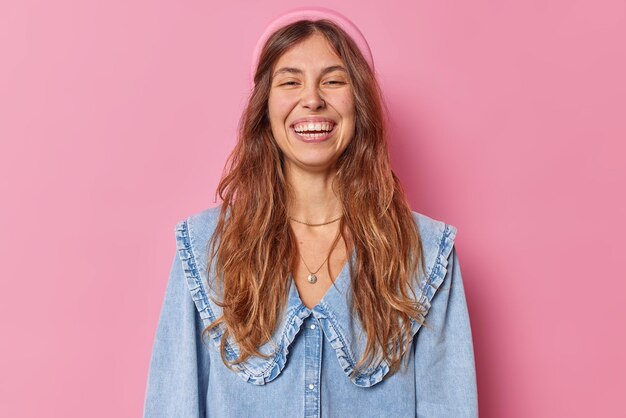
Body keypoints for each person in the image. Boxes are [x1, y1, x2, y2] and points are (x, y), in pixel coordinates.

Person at [143, 7, 478, 418]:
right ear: (265, 106)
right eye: (290, 81)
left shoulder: (425, 253)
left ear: (360, 103)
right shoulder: (204, 247)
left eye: (334, 81)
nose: (313, 99)